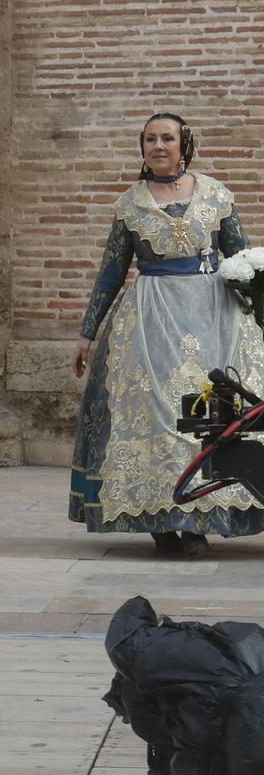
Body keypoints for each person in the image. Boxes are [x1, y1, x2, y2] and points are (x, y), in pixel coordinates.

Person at [71, 112, 264, 554]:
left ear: (184, 144)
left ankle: (198, 521)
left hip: (215, 319)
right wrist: (87, 333)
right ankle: (159, 518)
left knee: (210, 414)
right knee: (158, 413)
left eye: (168, 138)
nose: (159, 146)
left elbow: (247, 259)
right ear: (142, 147)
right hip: (151, 320)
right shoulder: (130, 204)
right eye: (150, 139)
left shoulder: (216, 195)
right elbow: (110, 274)